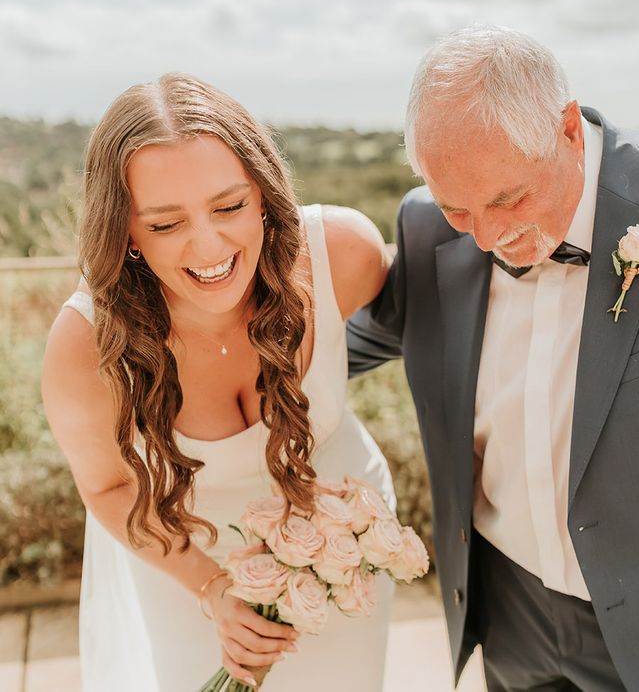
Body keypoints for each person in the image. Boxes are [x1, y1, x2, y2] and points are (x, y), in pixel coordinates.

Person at [348, 25, 639, 692]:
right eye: (459, 209)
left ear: (568, 129)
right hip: (509, 618)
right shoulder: (423, 225)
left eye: (508, 199)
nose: (488, 236)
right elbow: (327, 348)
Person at [42, 73, 395, 691]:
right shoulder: (85, 349)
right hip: (180, 566)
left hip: (347, 559)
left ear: (262, 192)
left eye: (229, 207)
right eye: (165, 224)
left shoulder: (344, 254)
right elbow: (106, 488)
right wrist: (213, 588)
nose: (209, 245)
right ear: (124, 230)